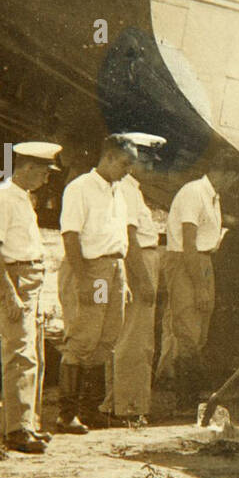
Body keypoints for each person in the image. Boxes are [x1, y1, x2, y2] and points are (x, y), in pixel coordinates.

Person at [0, 142, 61, 454]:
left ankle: (29, 423)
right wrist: (9, 293)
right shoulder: (2, 199)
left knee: (33, 355)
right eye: (43, 172)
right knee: (19, 355)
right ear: (27, 168)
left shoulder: (23, 198)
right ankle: (16, 430)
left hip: (31, 279)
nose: (46, 179)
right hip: (15, 279)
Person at [55, 134, 137, 433]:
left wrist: (121, 281)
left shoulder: (118, 191)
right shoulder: (80, 188)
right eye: (126, 164)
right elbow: (70, 236)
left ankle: (92, 410)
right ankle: (67, 414)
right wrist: (83, 280)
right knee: (83, 337)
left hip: (114, 270)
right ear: (109, 157)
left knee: (107, 336)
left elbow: (117, 238)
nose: (129, 170)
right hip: (92, 269)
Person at [157, 165, 238, 413]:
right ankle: (184, 399)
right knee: (188, 330)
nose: (232, 183)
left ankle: (189, 393)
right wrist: (200, 286)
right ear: (223, 172)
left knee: (200, 329)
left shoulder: (213, 196)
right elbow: (188, 242)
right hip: (185, 259)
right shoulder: (193, 192)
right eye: (232, 176)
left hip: (203, 259)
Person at [101, 133, 166, 421]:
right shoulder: (126, 189)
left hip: (142, 260)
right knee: (135, 340)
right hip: (138, 262)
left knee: (131, 337)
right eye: (147, 159)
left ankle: (120, 402)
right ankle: (128, 407)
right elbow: (129, 236)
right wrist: (143, 279)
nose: (151, 166)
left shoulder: (131, 188)